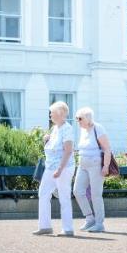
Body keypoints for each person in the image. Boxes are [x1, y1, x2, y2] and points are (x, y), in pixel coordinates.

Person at [34, 101, 75, 236]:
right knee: (43, 193)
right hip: (50, 167)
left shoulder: (67, 128)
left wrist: (60, 169)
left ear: (60, 114)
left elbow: (68, 151)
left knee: (64, 196)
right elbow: (52, 148)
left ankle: (68, 228)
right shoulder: (55, 128)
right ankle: (45, 226)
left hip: (63, 167)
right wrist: (47, 140)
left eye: (52, 113)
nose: (50, 115)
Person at [73, 106, 112, 233]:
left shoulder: (98, 128)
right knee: (77, 191)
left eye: (80, 118)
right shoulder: (83, 130)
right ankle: (90, 219)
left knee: (96, 194)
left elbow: (107, 149)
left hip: (95, 164)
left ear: (88, 118)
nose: (77, 121)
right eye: (77, 118)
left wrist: (106, 166)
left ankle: (99, 223)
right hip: (82, 164)